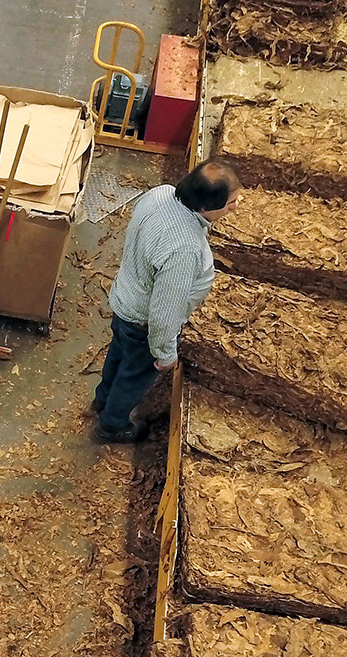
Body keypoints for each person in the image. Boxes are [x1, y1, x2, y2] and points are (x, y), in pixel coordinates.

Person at [91, 159, 242, 444]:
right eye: (231, 202)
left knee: (117, 356)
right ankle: (111, 426)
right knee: (134, 375)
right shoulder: (184, 249)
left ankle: (101, 401)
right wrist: (164, 354)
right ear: (205, 207)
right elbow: (164, 311)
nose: (236, 205)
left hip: (124, 301)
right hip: (142, 324)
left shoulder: (161, 194)